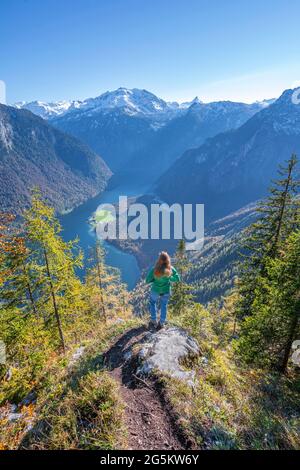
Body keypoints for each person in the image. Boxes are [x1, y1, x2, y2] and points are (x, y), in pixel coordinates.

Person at [145, 251, 180, 330]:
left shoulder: (155, 269)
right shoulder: (171, 269)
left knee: (152, 303)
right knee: (164, 305)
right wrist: (169, 277)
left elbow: (147, 280)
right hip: (166, 291)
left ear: (159, 260)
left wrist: (153, 280)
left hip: (155, 290)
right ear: (168, 260)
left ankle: (153, 320)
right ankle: (161, 322)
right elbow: (177, 279)